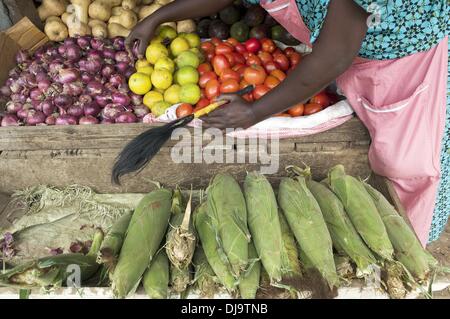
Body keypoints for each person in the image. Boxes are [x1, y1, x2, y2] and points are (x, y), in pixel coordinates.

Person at [126, 0, 449, 245]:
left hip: (406, 64)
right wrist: (159, 16)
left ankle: (406, 260)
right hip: (354, 55)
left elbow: (334, 55)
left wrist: (255, 112)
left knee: (407, 166)